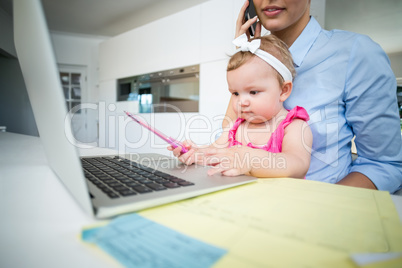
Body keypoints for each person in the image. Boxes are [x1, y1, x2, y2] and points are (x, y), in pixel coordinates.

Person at [173, 0, 402, 193]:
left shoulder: (356, 53)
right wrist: (245, 64)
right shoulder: (253, 56)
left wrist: (323, 209)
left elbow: (384, 165)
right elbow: (229, 137)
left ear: (285, 89)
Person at [170, 34, 313, 178]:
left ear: (283, 90)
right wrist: (194, 153)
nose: (241, 102)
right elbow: (212, 153)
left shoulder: (293, 126)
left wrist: (252, 161)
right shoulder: (235, 128)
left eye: (253, 92)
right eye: (235, 93)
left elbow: (298, 164)